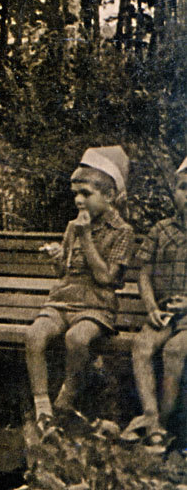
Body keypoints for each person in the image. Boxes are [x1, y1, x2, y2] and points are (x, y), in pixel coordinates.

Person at [25, 145, 134, 428]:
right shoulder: (74, 227)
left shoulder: (122, 232)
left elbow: (107, 278)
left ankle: (67, 397)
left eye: (86, 193)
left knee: (77, 339)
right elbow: (64, 271)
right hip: (64, 298)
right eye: (75, 193)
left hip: (96, 305)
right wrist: (57, 258)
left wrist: (86, 236)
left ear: (109, 196)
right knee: (35, 335)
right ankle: (42, 408)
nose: (78, 200)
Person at [121, 157, 187, 446]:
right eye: (184, 188)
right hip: (163, 312)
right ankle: (152, 419)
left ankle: (164, 421)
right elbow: (144, 273)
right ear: (175, 192)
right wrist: (150, 307)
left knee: (174, 351)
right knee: (142, 346)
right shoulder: (161, 229)